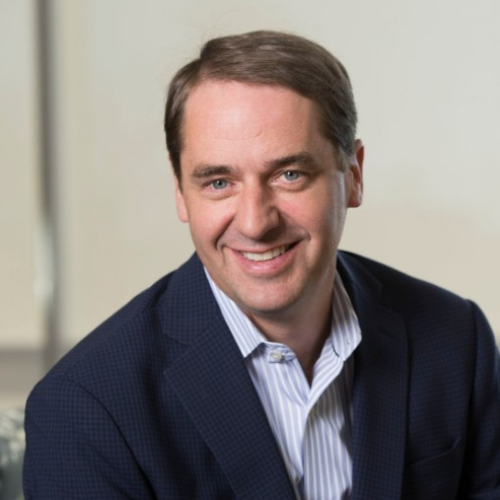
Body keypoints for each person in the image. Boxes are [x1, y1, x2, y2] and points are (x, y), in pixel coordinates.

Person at [23, 30, 500, 500]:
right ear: (180, 191)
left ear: (353, 175)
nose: (255, 223)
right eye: (218, 182)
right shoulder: (85, 410)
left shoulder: (456, 341)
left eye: (289, 175)